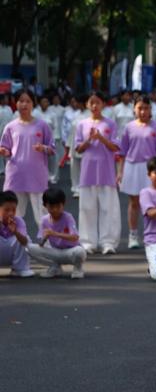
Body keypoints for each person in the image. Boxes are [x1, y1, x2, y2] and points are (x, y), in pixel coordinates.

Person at [0, 90, 55, 231]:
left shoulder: (42, 125)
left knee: (42, 216)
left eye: (28, 101)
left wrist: (43, 148)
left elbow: (52, 149)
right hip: (15, 176)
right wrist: (4, 151)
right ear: (15, 103)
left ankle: (47, 242)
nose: (24, 104)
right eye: (21, 101)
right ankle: (13, 241)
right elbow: (5, 147)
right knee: (13, 214)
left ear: (33, 103)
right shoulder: (10, 127)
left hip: (37, 176)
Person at [74, 92, 121, 254]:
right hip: (88, 171)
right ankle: (88, 242)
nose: (94, 106)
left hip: (106, 171)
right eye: (91, 102)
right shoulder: (81, 124)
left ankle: (108, 242)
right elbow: (78, 149)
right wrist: (89, 139)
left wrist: (100, 138)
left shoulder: (110, 124)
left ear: (103, 104)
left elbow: (115, 147)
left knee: (108, 208)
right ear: (87, 104)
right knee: (87, 208)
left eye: (98, 102)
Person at [118, 98, 156, 249]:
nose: (143, 111)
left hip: (151, 168)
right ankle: (133, 235)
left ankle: (152, 234)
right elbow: (123, 151)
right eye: (140, 108)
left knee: (153, 203)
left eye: (146, 108)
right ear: (134, 109)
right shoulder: (129, 127)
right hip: (132, 166)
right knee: (134, 202)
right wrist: (120, 172)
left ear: (150, 109)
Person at [25, 187, 86, 279]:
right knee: (29, 248)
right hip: (55, 251)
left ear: (63, 204)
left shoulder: (68, 217)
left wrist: (55, 234)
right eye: (51, 207)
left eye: (58, 207)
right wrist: (44, 238)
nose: (55, 210)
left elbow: (75, 237)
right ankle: (54, 266)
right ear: (45, 206)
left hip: (70, 251)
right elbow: (40, 243)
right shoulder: (44, 220)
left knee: (80, 251)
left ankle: (78, 267)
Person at [0, 190, 33, 277]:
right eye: (6, 210)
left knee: (26, 238)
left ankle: (20, 268)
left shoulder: (19, 221)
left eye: (13, 210)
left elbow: (25, 242)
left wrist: (15, 232)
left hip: (10, 255)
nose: (10, 213)